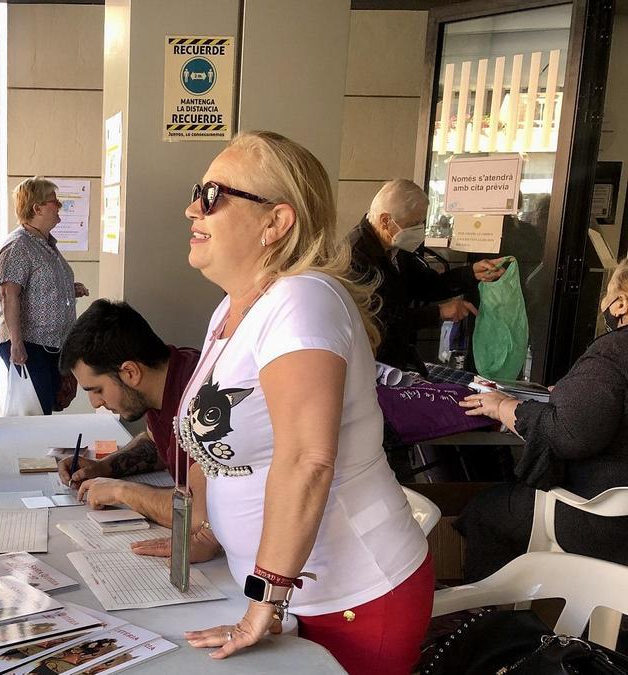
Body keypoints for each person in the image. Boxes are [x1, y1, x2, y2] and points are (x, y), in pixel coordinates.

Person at [177, 131, 432, 674]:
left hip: (351, 598)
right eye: (198, 191)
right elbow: (213, 446)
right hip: (279, 595)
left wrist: (263, 604)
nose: (192, 208)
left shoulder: (302, 299)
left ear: (276, 222)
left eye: (214, 195)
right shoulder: (232, 309)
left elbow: (306, 460)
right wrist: (204, 532)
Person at [457, 258, 628, 582]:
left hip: (602, 519)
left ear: (620, 304)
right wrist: (569, 392)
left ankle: (484, 616)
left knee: (485, 511)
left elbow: (569, 434)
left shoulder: (613, 353)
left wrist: (503, 406)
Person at [53, 299, 223, 555]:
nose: (96, 402)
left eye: (97, 390)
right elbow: (159, 445)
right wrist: (104, 467)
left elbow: (200, 514)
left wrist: (122, 492)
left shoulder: (199, 397)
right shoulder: (166, 379)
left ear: (130, 372)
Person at [348, 179, 505, 374]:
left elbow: (427, 285)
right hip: (370, 364)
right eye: (413, 224)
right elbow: (380, 319)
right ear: (385, 220)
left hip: (396, 359)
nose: (418, 230)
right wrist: (439, 312)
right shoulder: (356, 256)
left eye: (421, 223)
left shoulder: (396, 247)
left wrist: (471, 273)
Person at [0, 177, 88, 414]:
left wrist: (69, 288)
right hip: (29, 344)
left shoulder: (45, 243)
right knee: (34, 411)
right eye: (54, 202)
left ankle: (42, 450)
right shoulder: (18, 245)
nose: (59, 206)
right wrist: (17, 344)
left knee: (47, 407)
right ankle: (30, 451)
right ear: (36, 208)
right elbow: (8, 295)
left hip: (51, 343)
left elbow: (38, 284)